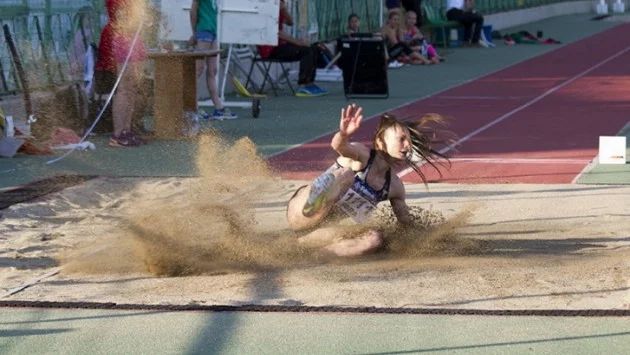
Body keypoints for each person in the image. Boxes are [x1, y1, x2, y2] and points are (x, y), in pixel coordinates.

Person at [286, 104, 451, 257]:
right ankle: (316, 198)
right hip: (301, 211)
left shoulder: (394, 186)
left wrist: (432, 239)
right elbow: (339, 146)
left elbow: (406, 224)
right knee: (346, 174)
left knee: (374, 238)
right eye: (401, 139)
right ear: (380, 142)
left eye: (408, 140)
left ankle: (312, 254)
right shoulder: (361, 155)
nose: (407, 145)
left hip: (322, 230)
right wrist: (344, 134)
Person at [96, 0, 149, 147]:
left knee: (132, 87)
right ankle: (118, 134)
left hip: (133, 37)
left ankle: (127, 130)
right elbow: (121, 18)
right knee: (125, 87)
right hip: (123, 37)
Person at [257, 0, 328, 97]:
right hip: (270, 49)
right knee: (306, 51)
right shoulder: (266, 7)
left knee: (313, 48)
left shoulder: (278, 5)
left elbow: (290, 22)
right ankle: (303, 85)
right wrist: (297, 42)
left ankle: (310, 83)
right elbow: (276, 31)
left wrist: (284, 9)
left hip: (279, 46)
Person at [189, 0, 237, 120]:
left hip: (213, 32)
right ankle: (193, 108)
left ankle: (218, 108)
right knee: (198, 69)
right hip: (204, 31)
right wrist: (194, 33)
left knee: (213, 70)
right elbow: (192, 10)